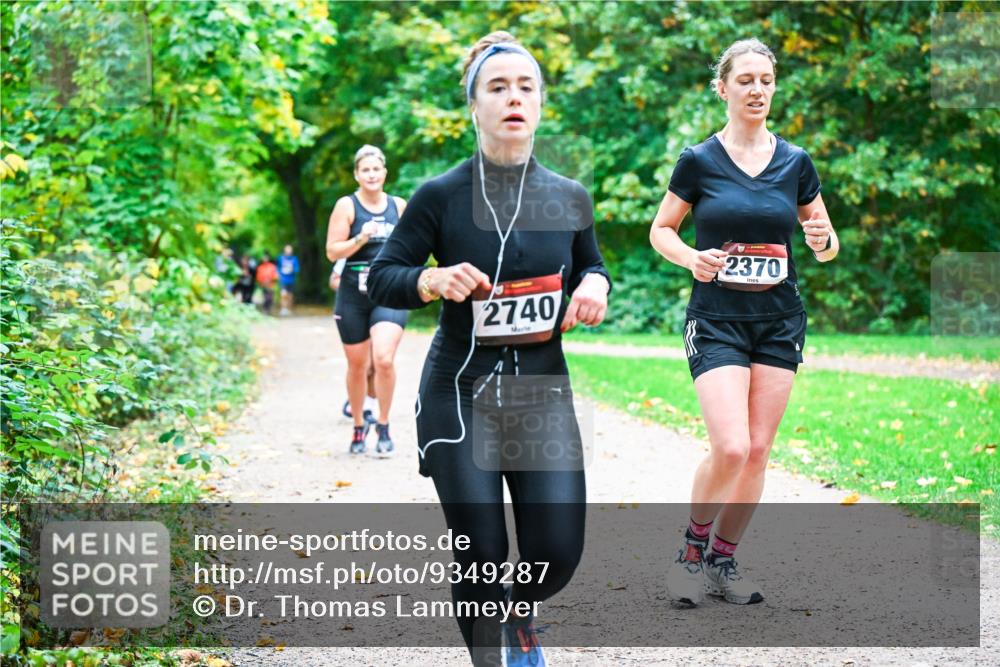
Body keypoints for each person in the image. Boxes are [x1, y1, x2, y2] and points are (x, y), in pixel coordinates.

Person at [367, 31, 611, 667]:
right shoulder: (438, 196)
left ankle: (514, 612)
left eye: (526, 88)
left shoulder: (569, 197)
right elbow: (383, 275)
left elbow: (594, 266)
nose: (513, 98)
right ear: (473, 106)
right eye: (497, 88)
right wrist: (431, 278)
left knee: (556, 552)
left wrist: (595, 285)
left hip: (540, 394)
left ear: (541, 104)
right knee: (479, 546)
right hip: (460, 392)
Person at [649, 38, 838, 606]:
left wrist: (823, 240)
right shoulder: (699, 160)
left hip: (779, 320)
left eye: (766, 80)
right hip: (717, 320)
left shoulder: (795, 162)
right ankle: (690, 552)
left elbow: (826, 246)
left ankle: (723, 563)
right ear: (723, 87)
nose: (758, 89)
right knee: (730, 446)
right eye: (746, 79)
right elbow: (661, 230)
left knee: (758, 451)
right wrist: (692, 259)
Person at [325, 145, 409, 456]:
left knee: (384, 359)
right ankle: (359, 426)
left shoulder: (398, 206)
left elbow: (413, 247)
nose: (371, 175)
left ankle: (384, 424)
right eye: (365, 170)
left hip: (388, 292)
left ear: (384, 173)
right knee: (358, 365)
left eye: (376, 169)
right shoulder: (347, 206)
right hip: (352, 295)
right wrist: (360, 238)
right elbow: (332, 251)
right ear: (357, 175)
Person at [330, 257, 378, 424]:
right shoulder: (352, 254)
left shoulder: (389, 249)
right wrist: (353, 286)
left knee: (377, 362)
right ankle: (355, 399)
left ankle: (369, 407)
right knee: (361, 363)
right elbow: (334, 280)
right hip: (356, 308)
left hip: (380, 309)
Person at [277, 244, 300, 316]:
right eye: (287, 249)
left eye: (290, 249)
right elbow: (277, 267)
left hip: (291, 280)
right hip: (283, 280)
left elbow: (297, 269)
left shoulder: (294, 259)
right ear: (284, 250)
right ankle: (283, 309)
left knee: (290, 295)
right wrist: (278, 275)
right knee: (283, 294)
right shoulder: (281, 258)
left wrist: (294, 269)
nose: (289, 251)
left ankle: (289, 309)